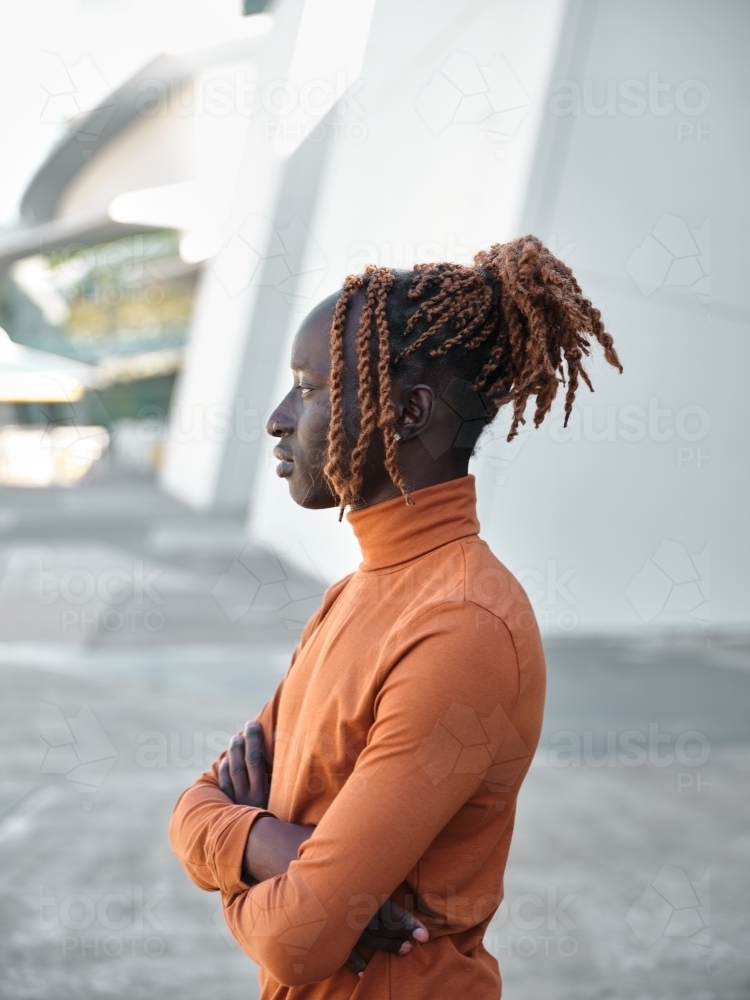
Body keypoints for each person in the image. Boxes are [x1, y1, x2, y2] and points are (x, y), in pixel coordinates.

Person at [169, 235, 622, 998]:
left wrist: (241, 871)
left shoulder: (464, 625)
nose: (280, 419)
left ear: (409, 413)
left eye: (310, 388)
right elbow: (192, 807)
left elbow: (298, 941)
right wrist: (269, 842)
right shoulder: (353, 594)